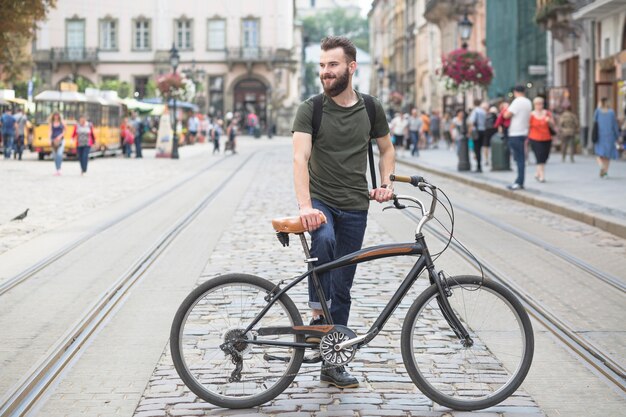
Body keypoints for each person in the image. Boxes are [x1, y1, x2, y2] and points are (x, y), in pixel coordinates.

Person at [292, 36, 395, 389]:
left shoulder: (370, 108)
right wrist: (305, 206)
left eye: (332, 65)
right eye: (321, 66)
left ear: (352, 67)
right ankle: (316, 313)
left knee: (344, 287)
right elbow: (299, 158)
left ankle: (332, 362)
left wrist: (387, 183)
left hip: (355, 205)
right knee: (324, 237)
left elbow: (386, 149)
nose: (325, 72)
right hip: (320, 199)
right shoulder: (311, 109)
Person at [503, 85, 532, 190]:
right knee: (521, 158)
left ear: (515, 92)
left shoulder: (517, 101)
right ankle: (519, 180)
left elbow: (507, 115)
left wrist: (505, 109)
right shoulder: (528, 102)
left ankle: (519, 182)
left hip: (515, 133)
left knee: (519, 159)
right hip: (524, 132)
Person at [527, 97, 554, 183]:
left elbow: (553, 124)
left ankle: (537, 172)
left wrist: (549, 121)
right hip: (535, 138)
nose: (539, 105)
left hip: (546, 138)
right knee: (539, 156)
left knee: (545, 156)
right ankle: (542, 175)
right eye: (537, 104)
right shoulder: (531, 115)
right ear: (534, 105)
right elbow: (527, 126)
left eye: (541, 103)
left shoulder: (547, 113)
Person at [594, 97, 620, 178]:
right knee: (607, 156)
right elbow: (614, 125)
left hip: (599, 136)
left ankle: (601, 166)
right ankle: (605, 173)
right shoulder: (611, 112)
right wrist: (617, 136)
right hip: (610, 136)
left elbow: (594, 123)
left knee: (599, 154)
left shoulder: (597, 111)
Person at [467, 99, 487, 172]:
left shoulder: (475, 111)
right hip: (483, 131)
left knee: (477, 149)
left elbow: (471, 122)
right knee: (480, 148)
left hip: (476, 131)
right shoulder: (483, 111)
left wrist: (469, 132)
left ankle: (479, 166)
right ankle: (479, 165)